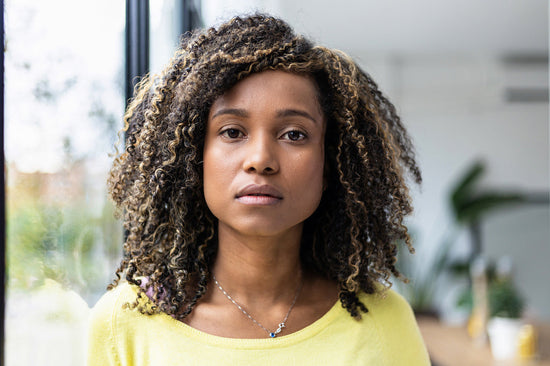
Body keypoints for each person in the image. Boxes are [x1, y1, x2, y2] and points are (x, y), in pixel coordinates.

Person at [87, 14, 430, 365]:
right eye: (232, 132)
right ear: (194, 157)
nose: (261, 159)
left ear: (329, 166)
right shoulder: (125, 324)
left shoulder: (384, 323)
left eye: (294, 134)